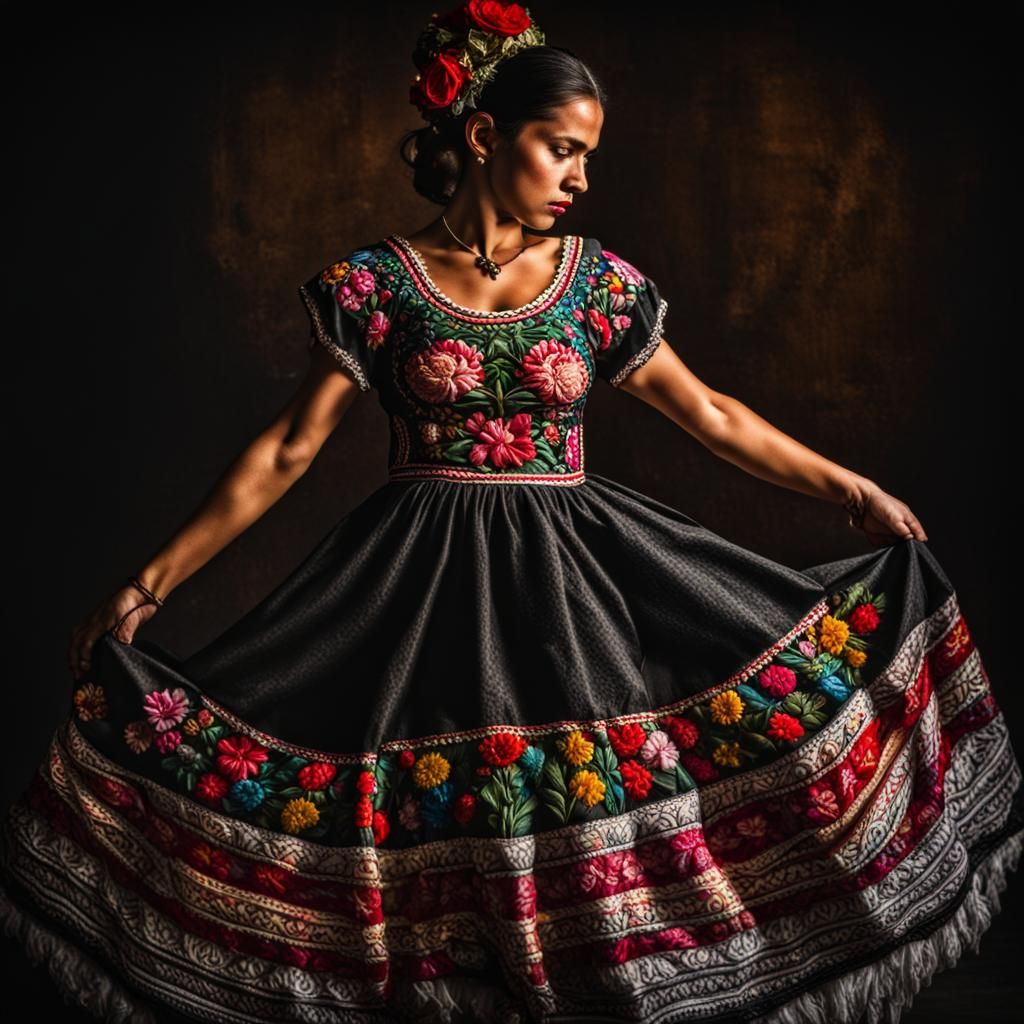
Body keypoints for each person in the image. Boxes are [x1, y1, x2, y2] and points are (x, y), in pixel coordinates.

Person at [2, 4, 1021, 1023]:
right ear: (486, 134)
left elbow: (711, 414)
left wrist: (850, 488)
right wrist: (147, 585)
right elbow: (286, 451)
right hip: (417, 593)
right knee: (425, 819)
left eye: (587, 156)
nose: (580, 177)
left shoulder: (597, 283)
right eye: (561, 148)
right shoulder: (374, 283)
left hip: (570, 589)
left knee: (591, 807)